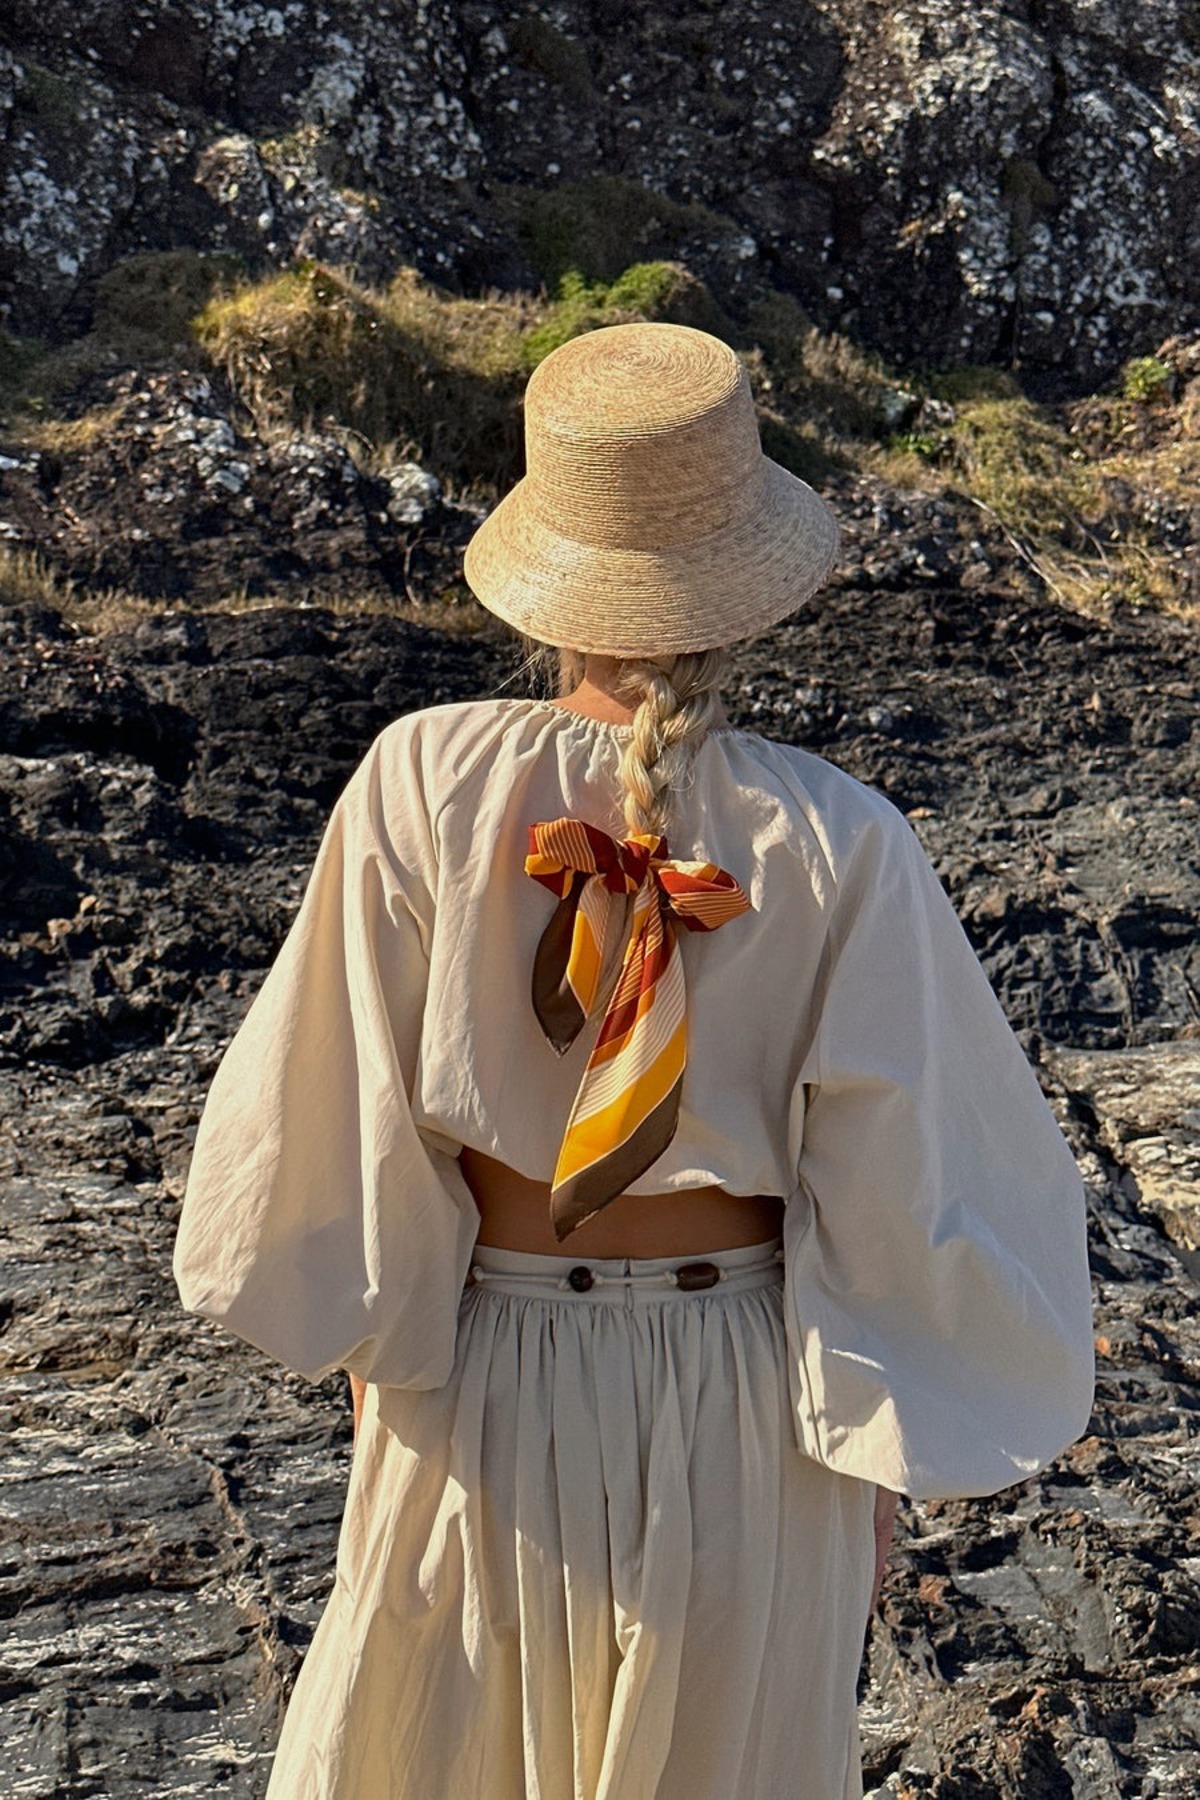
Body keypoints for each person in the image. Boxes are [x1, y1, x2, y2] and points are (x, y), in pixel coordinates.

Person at [174, 322, 1095, 1799]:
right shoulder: (841, 837)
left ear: (555, 580)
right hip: (742, 1404)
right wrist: (869, 1436)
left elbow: (336, 1123)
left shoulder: (418, 777)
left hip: (480, 1378)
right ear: (746, 592)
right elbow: (910, 1182)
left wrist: (389, 1368)